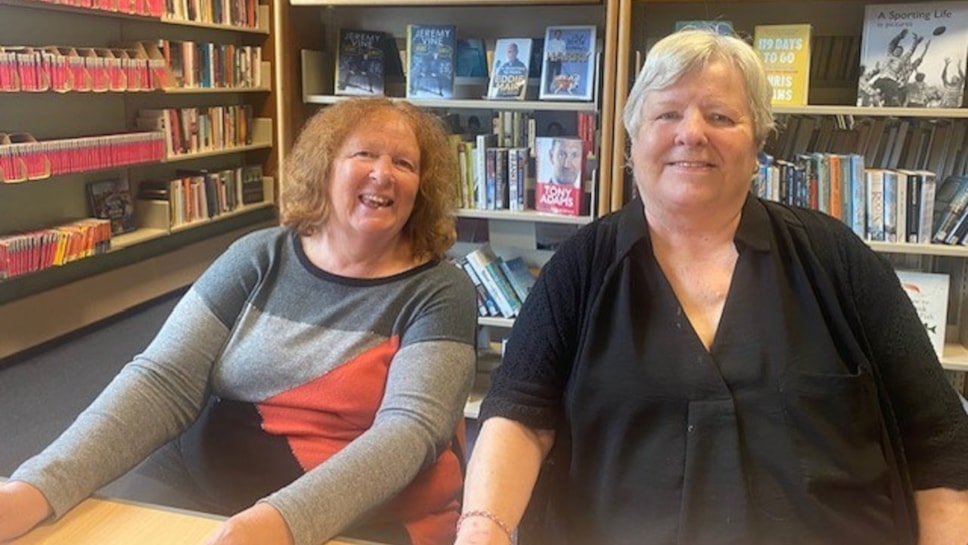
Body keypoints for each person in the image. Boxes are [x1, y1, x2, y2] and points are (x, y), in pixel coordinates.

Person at [455, 29, 968, 545]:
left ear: (758, 141)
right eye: (667, 114)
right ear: (633, 138)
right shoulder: (580, 268)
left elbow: (939, 439)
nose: (692, 133)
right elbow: (518, 417)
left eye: (720, 117)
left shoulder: (837, 259)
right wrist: (482, 531)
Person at [0, 97, 478, 545]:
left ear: (422, 189)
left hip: (354, 516)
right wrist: (38, 486)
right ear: (324, 166)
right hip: (199, 485)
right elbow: (162, 381)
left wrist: (273, 523)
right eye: (365, 154)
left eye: (404, 163)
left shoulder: (440, 291)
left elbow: (409, 432)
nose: (382, 174)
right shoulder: (257, 256)